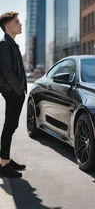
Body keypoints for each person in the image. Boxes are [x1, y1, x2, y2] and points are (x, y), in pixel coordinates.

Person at [0, 11, 27, 178]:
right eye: (17, 22)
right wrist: (18, 91)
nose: (20, 24)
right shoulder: (4, 45)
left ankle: (6, 159)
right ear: (8, 26)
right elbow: (7, 71)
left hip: (15, 91)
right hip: (12, 92)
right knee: (9, 127)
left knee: (12, 126)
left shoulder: (11, 44)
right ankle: (3, 164)